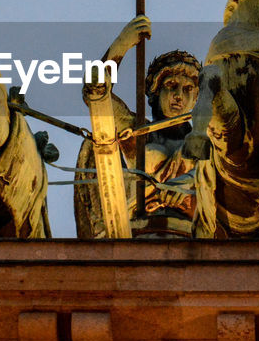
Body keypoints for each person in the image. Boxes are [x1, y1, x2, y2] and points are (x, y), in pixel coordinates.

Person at [75, 16, 202, 238]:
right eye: (170, 86)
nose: (178, 96)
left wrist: (190, 179)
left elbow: (224, 174)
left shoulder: (206, 141)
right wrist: (122, 44)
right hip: (139, 239)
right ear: (155, 92)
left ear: (196, 97)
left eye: (188, 88)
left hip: (193, 243)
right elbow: (96, 91)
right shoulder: (136, 131)